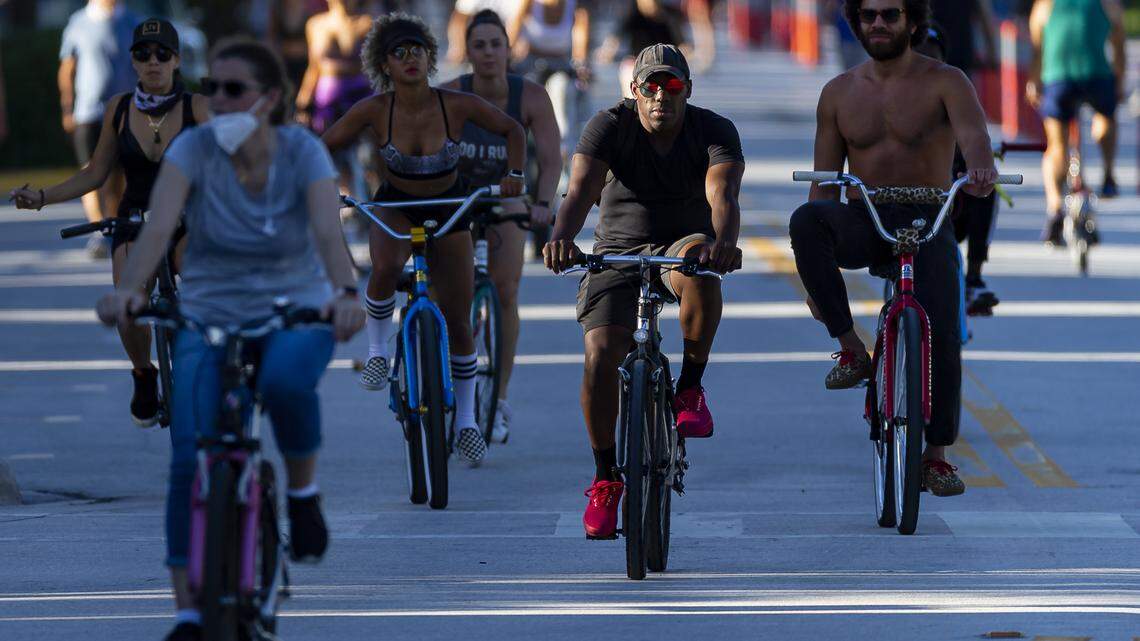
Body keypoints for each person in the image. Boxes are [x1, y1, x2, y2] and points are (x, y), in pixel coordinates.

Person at [94, 38, 364, 641]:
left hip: (294, 304)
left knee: (285, 382)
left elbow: (328, 234)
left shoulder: (302, 151)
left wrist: (347, 295)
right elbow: (157, 229)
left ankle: (303, 494)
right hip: (209, 310)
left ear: (269, 99)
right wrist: (129, 292)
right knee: (187, 453)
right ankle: (188, 611)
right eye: (212, 87)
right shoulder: (192, 149)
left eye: (233, 89)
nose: (217, 100)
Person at [790, 0, 997, 497]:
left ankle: (936, 456)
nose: (878, 23)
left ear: (913, 21)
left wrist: (981, 170)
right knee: (806, 220)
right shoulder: (838, 93)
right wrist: (817, 279)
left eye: (890, 14)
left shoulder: (947, 81)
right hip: (867, 216)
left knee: (944, 331)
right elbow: (824, 185)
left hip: (928, 217)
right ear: (856, 23)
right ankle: (851, 350)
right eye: (869, 16)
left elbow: (976, 141)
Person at [543, 44, 743, 539]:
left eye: (672, 86)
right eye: (650, 87)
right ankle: (606, 478)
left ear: (687, 90)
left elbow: (722, 193)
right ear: (634, 91)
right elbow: (580, 190)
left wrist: (724, 243)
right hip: (617, 251)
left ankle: (690, 388)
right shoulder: (608, 125)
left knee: (702, 272)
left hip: (683, 246)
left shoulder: (714, 130)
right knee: (600, 353)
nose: (661, 96)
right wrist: (561, 239)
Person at [322, 13, 526, 467]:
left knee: (458, 318)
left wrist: (514, 173)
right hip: (396, 204)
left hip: (450, 207)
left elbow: (512, 129)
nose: (410, 58)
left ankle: (468, 421)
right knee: (384, 268)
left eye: (417, 50)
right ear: (385, 64)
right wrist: (324, 185)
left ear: (430, 58)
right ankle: (377, 352)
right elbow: (322, 145)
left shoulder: (456, 104)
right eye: (399, 52)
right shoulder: (374, 110)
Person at [12, 19, 209, 427]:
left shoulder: (199, 108)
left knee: (205, 288)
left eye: (162, 54)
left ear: (176, 60)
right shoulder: (118, 108)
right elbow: (95, 172)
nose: (152, 62)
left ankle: (208, 361)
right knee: (128, 306)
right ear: (132, 62)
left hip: (187, 219)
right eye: (143, 54)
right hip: (135, 218)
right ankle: (143, 373)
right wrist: (43, 198)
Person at [441, 9, 561, 443]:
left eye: (496, 44)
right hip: (456, 200)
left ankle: (500, 397)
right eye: (480, 45)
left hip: (505, 199)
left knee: (506, 290)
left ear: (510, 50)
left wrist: (542, 204)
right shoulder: (450, 94)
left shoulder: (530, 96)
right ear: (468, 51)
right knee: (445, 296)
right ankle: (446, 378)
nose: (489, 53)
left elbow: (551, 159)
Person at [916, 24, 1000, 316]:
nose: (926, 64)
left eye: (933, 57)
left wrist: (980, 169)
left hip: (949, 210)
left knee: (987, 188)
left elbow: (976, 138)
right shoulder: (889, 98)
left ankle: (974, 276)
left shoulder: (957, 97)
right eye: (919, 55)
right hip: (901, 209)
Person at [1027, 0, 1126, 244]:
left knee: (1056, 146)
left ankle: (1054, 209)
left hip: (1058, 79)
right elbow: (1119, 43)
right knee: (1106, 117)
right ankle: (1108, 175)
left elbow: (1037, 48)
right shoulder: (1107, 2)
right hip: (1097, 76)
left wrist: (1034, 80)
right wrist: (1119, 82)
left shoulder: (1046, 4)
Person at [58, 0, 140, 259]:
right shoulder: (78, 22)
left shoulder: (133, 22)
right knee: (90, 173)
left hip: (127, 111)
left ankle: (114, 226)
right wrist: (67, 108)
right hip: (88, 112)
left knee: (119, 177)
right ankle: (98, 231)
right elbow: (67, 68)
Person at [507, 0, 591, 159]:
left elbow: (581, 40)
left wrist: (581, 64)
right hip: (531, 65)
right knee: (525, 94)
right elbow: (514, 30)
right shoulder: (529, 3)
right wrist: (508, 57)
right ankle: (522, 149)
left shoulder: (575, 5)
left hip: (561, 65)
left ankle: (562, 150)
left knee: (562, 90)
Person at [594, 0, 690, 99]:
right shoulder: (632, 16)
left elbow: (682, 43)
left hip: (664, 66)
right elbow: (615, 38)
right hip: (637, 63)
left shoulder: (669, 17)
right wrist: (608, 52)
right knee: (629, 70)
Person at [267, 0, 325, 92]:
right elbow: (271, 39)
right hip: (284, 66)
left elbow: (320, 45)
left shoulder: (314, 6)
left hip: (307, 67)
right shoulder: (277, 7)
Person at [446, 0, 522, 64]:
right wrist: (459, 49)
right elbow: (459, 21)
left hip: (507, 43)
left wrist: (504, 54)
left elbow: (515, 26)